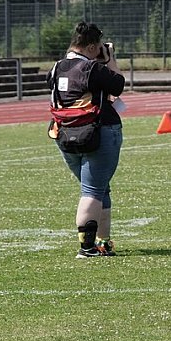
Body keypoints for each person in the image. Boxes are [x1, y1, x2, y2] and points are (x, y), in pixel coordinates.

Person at [47, 22, 127, 258]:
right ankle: (87, 247)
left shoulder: (56, 67)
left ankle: (103, 242)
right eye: (99, 46)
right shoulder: (93, 68)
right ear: (92, 47)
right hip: (97, 132)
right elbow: (118, 84)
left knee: (100, 188)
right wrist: (110, 59)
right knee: (92, 190)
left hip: (64, 134)